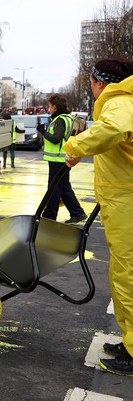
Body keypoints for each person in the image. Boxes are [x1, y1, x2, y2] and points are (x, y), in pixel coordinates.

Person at [64, 57, 133, 376]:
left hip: (127, 203)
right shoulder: (122, 101)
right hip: (121, 201)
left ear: (100, 83)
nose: (91, 88)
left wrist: (76, 145)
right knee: (123, 273)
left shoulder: (118, 102)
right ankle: (129, 340)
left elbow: (115, 130)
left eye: (90, 82)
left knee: (126, 274)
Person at [38, 93, 86, 224]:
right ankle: (77, 213)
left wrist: (43, 131)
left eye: (49, 106)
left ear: (55, 107)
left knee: (54, 188)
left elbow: (56, 139)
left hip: (57, 160)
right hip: (62, 159)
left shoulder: (60, 120)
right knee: (64, 187)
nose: (48, 109)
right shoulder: (67, 118)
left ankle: (49, 216)